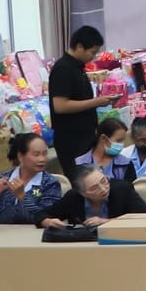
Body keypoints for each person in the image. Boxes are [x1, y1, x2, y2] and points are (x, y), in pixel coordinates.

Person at [48, 25, 112, 177]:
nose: (93, 57)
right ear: (79, 46)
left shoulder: (77, 67)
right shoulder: (63, 69)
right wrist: (96, 102)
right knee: (81, 182)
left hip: (85, 136)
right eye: (92, 52)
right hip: (71, 139)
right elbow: (60, 106)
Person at [0, 132, 63, 224]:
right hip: (0, 234)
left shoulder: (50, 184)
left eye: (45, 154)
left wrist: (23, 197)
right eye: (36, 154)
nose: (42, 159)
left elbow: (46, 219)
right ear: (20, 156)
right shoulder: (2, 179)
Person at [43, 163, 146, 226]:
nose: (103, 189)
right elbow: (42, 214)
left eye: (104, 181)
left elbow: (145, 217)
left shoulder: (123, 189)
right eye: (94, 188)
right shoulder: (73, 197)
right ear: (82, 193)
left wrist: (107, 222)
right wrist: (46, 221)